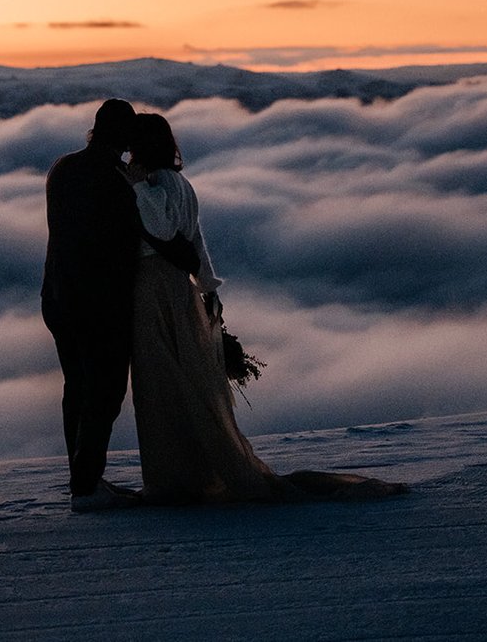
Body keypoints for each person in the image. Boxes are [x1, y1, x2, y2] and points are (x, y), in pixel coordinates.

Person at [127, 112, 409, 505]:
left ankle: (178, 476)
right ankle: (195, 471)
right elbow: (195, 241)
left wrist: (138, 186)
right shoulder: (184, 184)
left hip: (155, 290)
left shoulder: (155, 185)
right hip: (178, 290)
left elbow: (160, 230)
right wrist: (207, 288)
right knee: (188, 382)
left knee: (162, 383)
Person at [41, 98, 142, 512]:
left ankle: (81, 477)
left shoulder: (62, 169)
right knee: (106, 390)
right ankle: (87, 483)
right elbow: (127, 242)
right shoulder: (117, 178)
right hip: (99, 301)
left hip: (57, 296)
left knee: (77, 388)